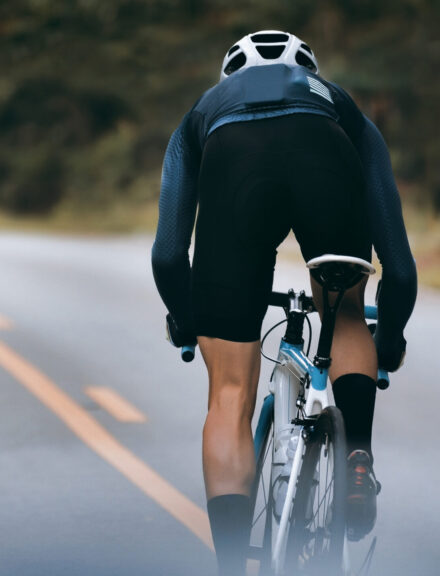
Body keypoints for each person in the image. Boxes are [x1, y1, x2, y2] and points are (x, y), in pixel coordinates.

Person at [151, 31, 417, 575]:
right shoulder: (338, 103)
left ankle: (230, 564)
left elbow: (168, 255)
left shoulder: (202, 112)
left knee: (228, 395)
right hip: (324, 155)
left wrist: (187, 319)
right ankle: (357, 459)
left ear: (230, 76)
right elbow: (401, 264)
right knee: (343, 315)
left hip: (233, 166)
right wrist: (386, 341)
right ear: (310, 70)